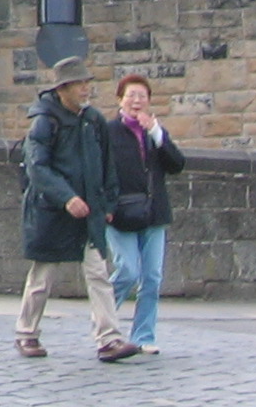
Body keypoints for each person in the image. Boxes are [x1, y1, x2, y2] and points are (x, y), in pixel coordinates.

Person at [15, 54, 137, 362]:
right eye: (79, 84)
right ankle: (26, 332)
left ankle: (108, 338)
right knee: (43, 276)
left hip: (90, 211)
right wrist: (66, 197)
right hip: (52, 211)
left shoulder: (93, 120)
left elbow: (108, 164)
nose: (85, 89)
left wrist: (108, 203)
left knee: (98, 274)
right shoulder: (45, 121)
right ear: (62, 89)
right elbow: (37, 167)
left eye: (86, 83)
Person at [105, 72, 184, 356]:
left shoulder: (155, 134)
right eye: (131, 96)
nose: (137, 101)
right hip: (121, 214)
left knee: (151, 277)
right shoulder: (109, 131)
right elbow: (101, 172)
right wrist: (106, 207)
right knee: (127, 271)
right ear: (120, 100)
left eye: (142, 96)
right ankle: (103, 322)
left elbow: (177, 165)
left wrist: (157, 135)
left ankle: (143, 335)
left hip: (154, 214)